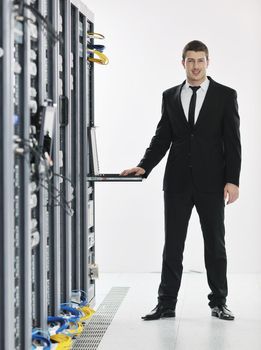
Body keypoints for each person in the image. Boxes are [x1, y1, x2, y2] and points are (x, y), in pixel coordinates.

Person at [121, 40, 241, 321]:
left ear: (208, 62)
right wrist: (143, 166)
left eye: (200, 61)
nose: (196, 66)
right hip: (176, 182)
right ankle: (166, 304)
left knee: (215, 243)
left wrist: (232, 180)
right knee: (173, 244)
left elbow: (233, 142)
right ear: (183, 63)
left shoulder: (225, 95)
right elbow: (163, 136)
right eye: (191, 61)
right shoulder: (170, 95)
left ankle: (219, 302)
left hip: (212, 183)